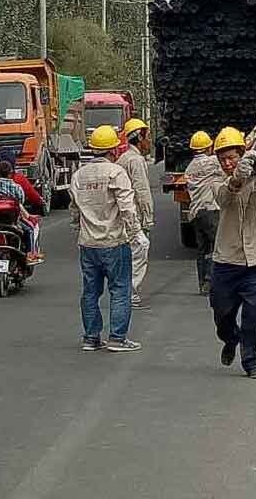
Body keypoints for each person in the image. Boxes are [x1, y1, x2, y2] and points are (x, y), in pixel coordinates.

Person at [209, 126, 256, 379]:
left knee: (254, 316)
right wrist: (236, 178)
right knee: (222, 313)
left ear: (242, 154)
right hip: (227, 260)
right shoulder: (217, 178)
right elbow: (222, 198)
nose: (228, 163)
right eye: (223, 159)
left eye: (232, 158)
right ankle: (230, 339)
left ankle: (251, 361)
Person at [70, 125, 142, 353]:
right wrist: (136, 233)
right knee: (120, 289)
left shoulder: (79, 175)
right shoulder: (116, 172)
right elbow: (127, 208)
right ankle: (117, 338)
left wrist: (78, 228)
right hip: (114, 242)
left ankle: (91, 337)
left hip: (88, 244)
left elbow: (75, 209)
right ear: (114, 149)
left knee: (90, 291)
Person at [117, 118, 154, 309]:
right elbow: (142, 191)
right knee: (140, 249)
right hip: (134, 215)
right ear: (139, 137)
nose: (150, 141)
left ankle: (125, 291)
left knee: (129, 252)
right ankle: (129, 291)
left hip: (122, 216)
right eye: (147, 136)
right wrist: (148, 218)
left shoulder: (122, 159)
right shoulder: (135, 161)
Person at [184, 131, 221, 295]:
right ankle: (212, 281)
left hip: (195, 213)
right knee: (216, 247)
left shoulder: (190, 168)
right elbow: (232, 161)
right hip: (210, 211)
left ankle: (203, 284)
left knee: (202, 249)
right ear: (208, 147)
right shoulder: (211, 162)